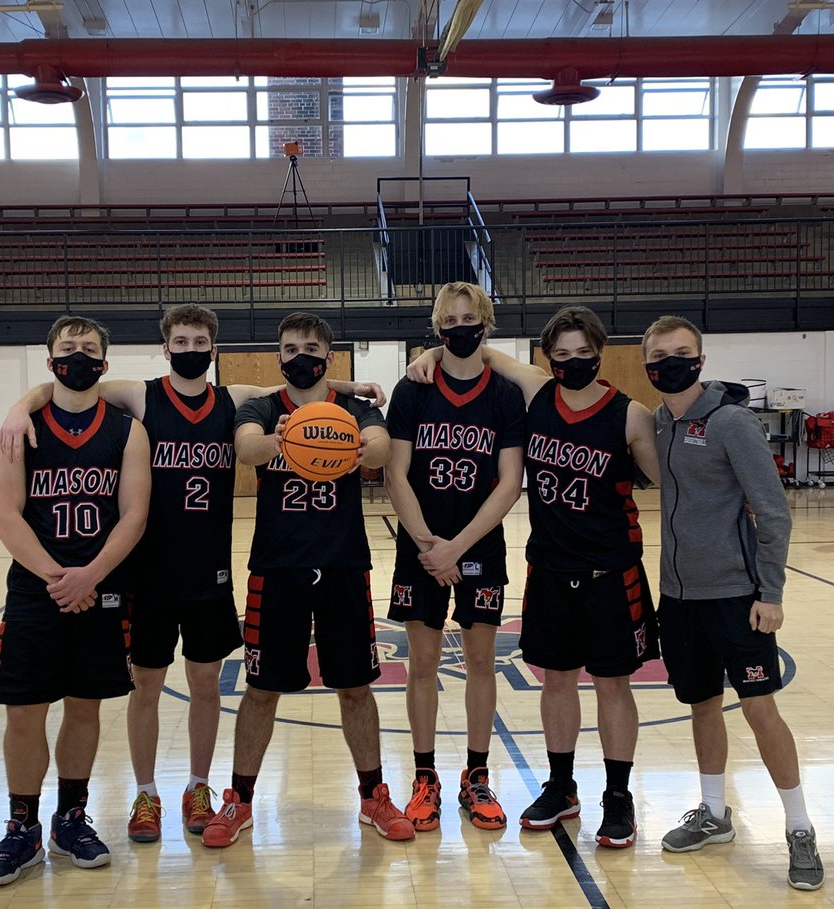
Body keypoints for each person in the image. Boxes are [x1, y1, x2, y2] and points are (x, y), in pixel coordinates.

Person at [0, 304, 385, 843]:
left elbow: (298, 384)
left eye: (198, 340)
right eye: (179, 341)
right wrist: (21, 407)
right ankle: (146, 792)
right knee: (147, 687)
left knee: (205, 685)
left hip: (209, 572)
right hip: (147, 571)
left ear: (215, 349)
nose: (188, 349)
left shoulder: (235, 401)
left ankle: (199, 786)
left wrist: (352, 383)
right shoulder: (141, 395)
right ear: (165, 348)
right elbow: (67, 391)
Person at [411, 304, 661, 846]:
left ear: (601, 354)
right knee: (557, 681)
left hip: (611, 568)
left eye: (584, 353)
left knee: (614, 685)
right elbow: (483, 353)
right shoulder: (537, 392)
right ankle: (562, 785)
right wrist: (431, 352)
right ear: (548, 359)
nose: (574, 362)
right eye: (563, 354)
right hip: (549, 566)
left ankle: (617, 795)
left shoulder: (631, 415)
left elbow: (678, 481)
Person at [201, 311, 414, 848]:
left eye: (311, 347)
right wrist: (288, 440)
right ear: (279, 356)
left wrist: (360, 446)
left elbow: (381, 449)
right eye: (291, 347)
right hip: (277, 568)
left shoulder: (355, 410)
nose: (302, 356)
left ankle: (373, 797)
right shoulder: (262, 407)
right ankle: (240, 801)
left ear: (329, 355)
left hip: (342, 563)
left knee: (355, 687)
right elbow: (245, 448)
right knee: (262, 689)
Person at [643, 315, 823, 889]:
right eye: (660, 353)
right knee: (700, 704)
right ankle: (715, 813)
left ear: (700, 359)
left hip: (736, 597)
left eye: (682, 352)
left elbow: (772, 512)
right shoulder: (659, 424)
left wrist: (770, 594)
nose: (671, 361)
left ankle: (799, 826)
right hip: (677, 598)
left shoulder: (732, 422)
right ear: (647, 364)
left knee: (759, 708)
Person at [0, 315, 151, 886]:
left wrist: (92, 576)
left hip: (101, 587)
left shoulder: (126, 429)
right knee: (25, 710)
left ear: (105, 361)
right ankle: (21, 829)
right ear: (49, 357)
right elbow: (5, 514)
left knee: (85, 705)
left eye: (89, 348)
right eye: (67, 347)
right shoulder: (20, 427)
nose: (77, 355)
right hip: (37, 587)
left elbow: (134, 514)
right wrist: (60, 577)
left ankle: (70, 818)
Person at [385, 282, 525, 832]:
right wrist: (428, 546)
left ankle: (477, 774)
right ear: (437, 326)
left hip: (478, 543)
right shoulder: (414, 386)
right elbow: (395, 473)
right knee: (420, 665)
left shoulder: (505, 394)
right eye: (450, 318)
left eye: (470, 317)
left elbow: (510, 482)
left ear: (485, 324)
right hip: (420, 544)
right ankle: (424, 777)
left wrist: (456, 549)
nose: (460, 326)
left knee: (480, 662)